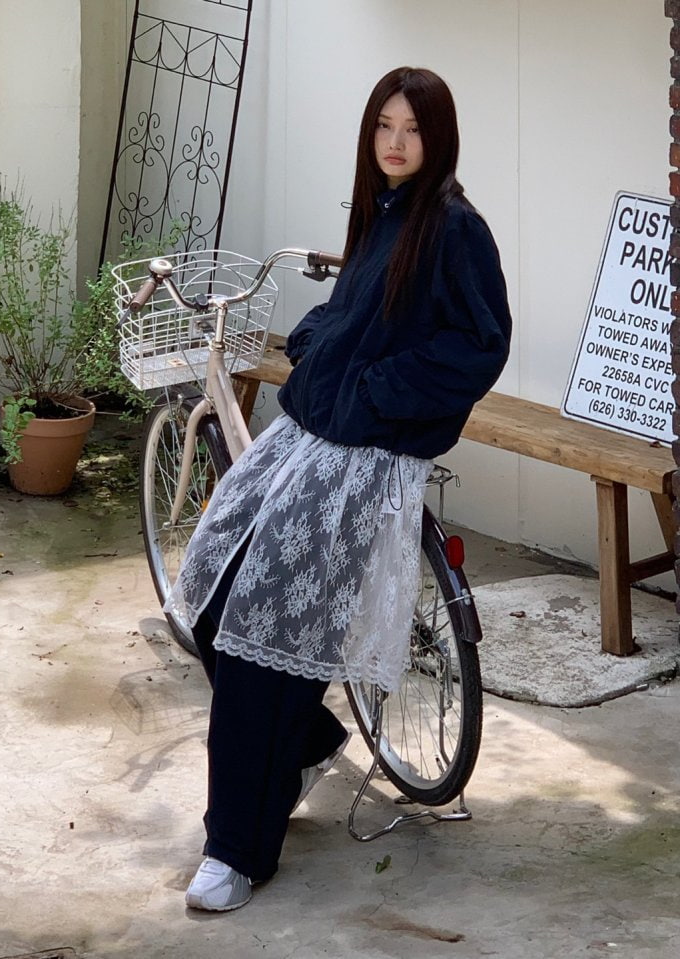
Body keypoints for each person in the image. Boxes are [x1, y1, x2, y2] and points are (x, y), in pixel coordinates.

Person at [165, 65, 512, 912]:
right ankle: (309, 739)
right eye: (384, 125)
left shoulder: (454, 228)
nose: (396, 142)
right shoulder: (386, 212)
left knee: (258, 630)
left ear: (439, 140)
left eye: (413, 129)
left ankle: (237, 849)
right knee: (208, 598)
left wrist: (373, 392)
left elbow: (480, 346)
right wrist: (318, 347)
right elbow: (352, 308)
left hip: (367, 456)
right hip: (312, 437)